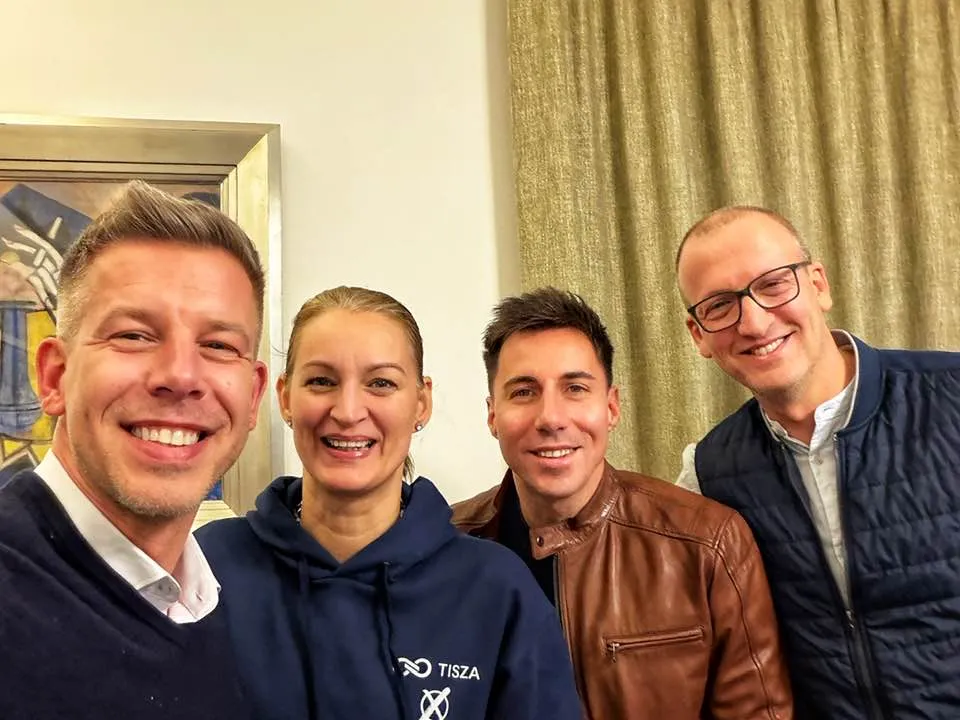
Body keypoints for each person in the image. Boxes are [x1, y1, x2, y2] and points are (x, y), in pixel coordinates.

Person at [197, 286, 581, 720]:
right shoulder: (207, 565)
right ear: (285, 397)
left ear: (421, 403)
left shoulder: (495, 588)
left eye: (381, 383)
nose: (348, 411)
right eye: (321, 381)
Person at [451, 287, 793, 720]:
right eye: (523, 392)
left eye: (575, 388)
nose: (551, 418)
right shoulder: (444, 547)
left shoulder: (709, 542)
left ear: (611, 407)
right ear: (492, 415)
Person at [675, 205, 960, 718]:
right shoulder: (707, 472)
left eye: (773, 284)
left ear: (818, 284)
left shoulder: (952, 396)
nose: (755, 321)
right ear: (699, 335)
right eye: (719, 306)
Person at [0, 181, 269, 719]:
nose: (181, 376)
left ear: (254, 395)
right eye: (133, 335)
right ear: (54, 376)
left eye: (218, 345)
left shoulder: (210, 602)